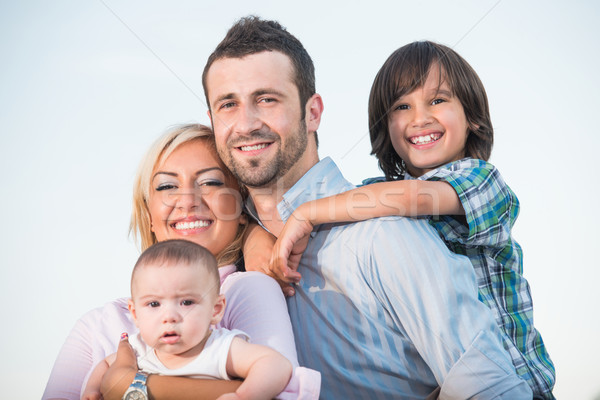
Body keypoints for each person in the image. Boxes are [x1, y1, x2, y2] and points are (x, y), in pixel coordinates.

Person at [201, 16, 533, 399]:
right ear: (212, 121)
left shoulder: (385, 234)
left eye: (266, 99)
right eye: (228, 104)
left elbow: (491, 390)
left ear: (313, 113)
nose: (246, 123)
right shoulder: (227, 260)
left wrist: (303, 214)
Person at [42, 124, 320, 400]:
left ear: (241, 208)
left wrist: (131, 385)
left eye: (211, 182)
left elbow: (282, 391)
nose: (187, 200)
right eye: (167, 186)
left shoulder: (247, 290)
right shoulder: (98, 325)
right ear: (149, 214)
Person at [81, 239, 292, 400]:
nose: (170, 317)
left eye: (187, 302)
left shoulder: (220, 348)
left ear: (215, 310)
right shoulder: (139, 348)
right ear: (135, 314)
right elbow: (105, 364)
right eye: (154, 304)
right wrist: (92, 390)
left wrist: (244, 395)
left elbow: (276, 364)